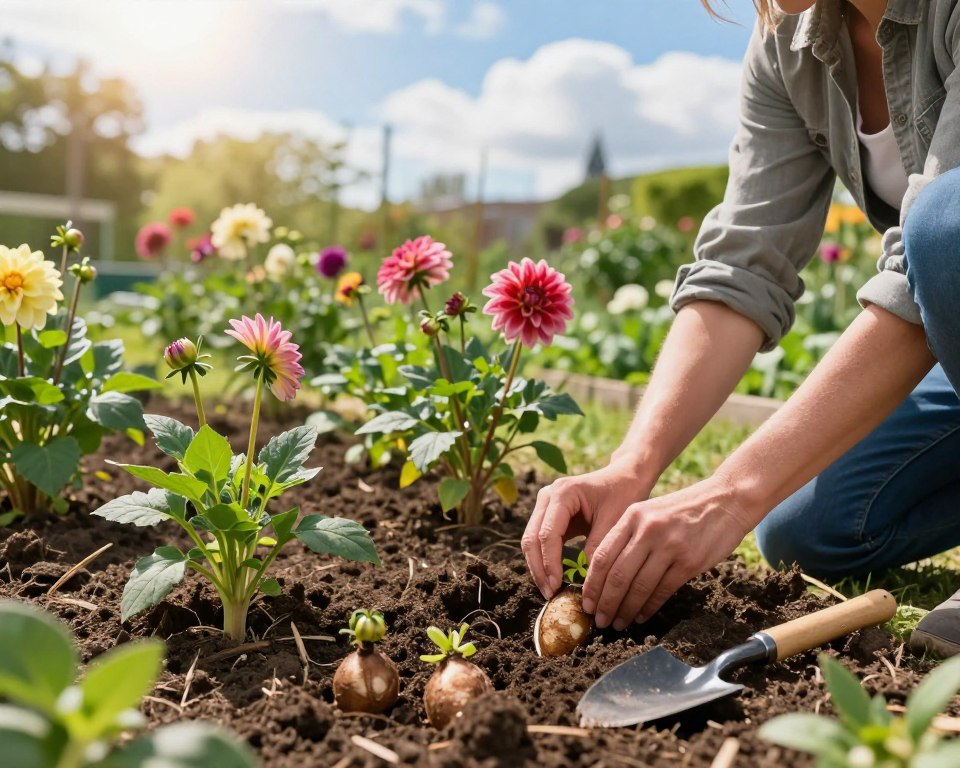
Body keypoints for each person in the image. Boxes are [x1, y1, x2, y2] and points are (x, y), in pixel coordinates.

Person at [523, 0, 960, 657]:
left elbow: (931, 258)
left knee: (948, 219)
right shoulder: (790, 42)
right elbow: (742, 266)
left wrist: (729, 494)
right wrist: (632, 467)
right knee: (805, 528)